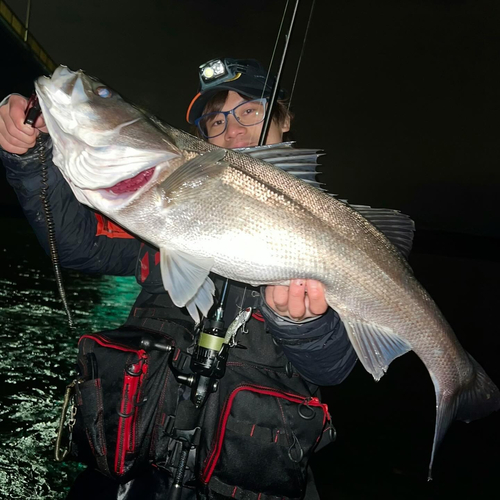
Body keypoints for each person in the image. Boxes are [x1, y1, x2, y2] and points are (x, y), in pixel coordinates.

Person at [0, 58, 357, 499]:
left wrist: (302, 325)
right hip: (133, 477)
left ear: (284, 119)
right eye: (215, 119)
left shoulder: (329, 233)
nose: (232, 129)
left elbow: (336, 367)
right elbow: (78, 243)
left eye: (250, 111)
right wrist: (27, 156)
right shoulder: (157, 222)